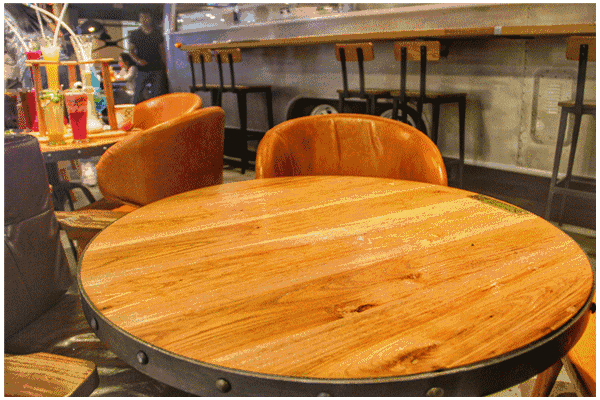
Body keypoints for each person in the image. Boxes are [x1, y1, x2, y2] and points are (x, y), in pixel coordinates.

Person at [128, 9, 168, 104]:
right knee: (137, 94)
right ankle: (136, 110)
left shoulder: (157, 33)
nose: (144, 19)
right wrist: (138, 60)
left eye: (146, 17)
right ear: (139, 19)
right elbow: (131, 51)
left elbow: (162, 50)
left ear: (150, 18)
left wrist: (166, 65)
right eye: (142, 17)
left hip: (157, 67)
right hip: (142, 68)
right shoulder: (135, 34)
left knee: (158, 94)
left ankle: (157, 110)